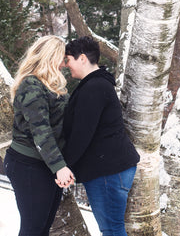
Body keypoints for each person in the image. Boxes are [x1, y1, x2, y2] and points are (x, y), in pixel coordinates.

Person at [61, 36, 140, 236]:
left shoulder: (94, 87)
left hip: (107, 172)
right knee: (112, 228)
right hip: (109, 169)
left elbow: (82, 133)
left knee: (111, 229)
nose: (65, 64)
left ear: (82, 59)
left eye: (68, 59)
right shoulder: (96, 84)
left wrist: (64, 166)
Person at [4, 35, 75, 236]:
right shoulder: (31, 85)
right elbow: (41, 131)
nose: (65, 64)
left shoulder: (50, 86)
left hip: (44, 165)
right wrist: (59, 166)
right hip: (28, 165)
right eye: (63, 58)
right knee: (32, 230)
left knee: (42, 229)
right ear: (51, 57)